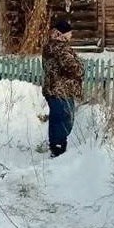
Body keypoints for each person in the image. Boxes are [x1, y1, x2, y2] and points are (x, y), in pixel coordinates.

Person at [42, 19, 84, 157]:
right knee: (65, 118)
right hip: (61, 89)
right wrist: (80, 68)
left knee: (56, 118)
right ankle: (59, 148)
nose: (71, 36)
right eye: (69, 33)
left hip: (52, 88)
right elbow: (73, 68)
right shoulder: (61, 48)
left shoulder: (50, 46)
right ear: (63, 34)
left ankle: (55, 146)